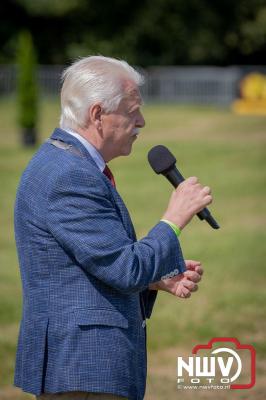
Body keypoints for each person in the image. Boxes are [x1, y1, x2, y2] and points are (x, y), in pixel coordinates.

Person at [14, 56, 212, 400]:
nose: (142, 121)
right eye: (132, 111)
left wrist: (155, 280)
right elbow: (125, 268)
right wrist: (174, 219)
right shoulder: (69, 175)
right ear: (97, 115)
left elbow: (92, 263)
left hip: (81, 368)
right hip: (84, 370)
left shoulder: (64, 162)